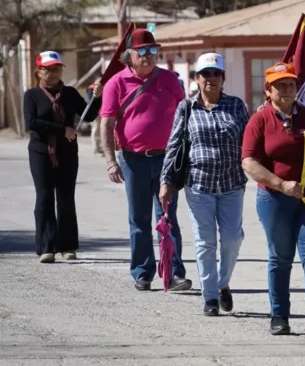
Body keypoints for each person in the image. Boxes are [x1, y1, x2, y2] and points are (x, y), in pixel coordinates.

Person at [241, 62, 305, 338]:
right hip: (274, 199)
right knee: (281, 258)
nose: (286, 89)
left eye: (291, 84)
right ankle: (279, 316)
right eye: (280, 85)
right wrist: (281, 184)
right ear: (268, 90)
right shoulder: (259, 120)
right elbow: (248, 162)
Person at [159, 53, 250, 316]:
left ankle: (222, 284)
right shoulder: (186, 108)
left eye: (216, 74)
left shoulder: (236, 106)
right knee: (204, 242)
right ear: (197, 79)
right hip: (198, 185)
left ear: (223, 78)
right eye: (205, 74)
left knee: (233, 239)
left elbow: (249, 141)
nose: (211, 79)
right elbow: (174, 145)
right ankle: (210, 297)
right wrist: (166, 181)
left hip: (232, 183)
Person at [100, 29, 191, 292]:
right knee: (139, 219)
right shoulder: (116, 83)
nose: (150, 56)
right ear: (130, 55)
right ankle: (142, 272)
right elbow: (107, 125)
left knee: (167, 216)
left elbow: (184, 116)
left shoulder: (170, 80)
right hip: (132, 159)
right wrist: (110, 162)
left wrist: (186, 155)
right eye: (143, 51)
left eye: (153, 51)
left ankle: (174, 274)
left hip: (166, 158)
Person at [24, 51, 102, 263]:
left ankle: (67, 246)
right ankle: (46, 247)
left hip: (67, 152)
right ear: (39, 71)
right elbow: (31, 122)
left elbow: (90, 114)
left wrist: (97, 96)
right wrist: (62, 129)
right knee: (44, 196)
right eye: (49, 69)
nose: (55, 72)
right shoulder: (31, 95)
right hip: (41, 152)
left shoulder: (69, 93)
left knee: (66, 198)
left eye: (58, 68)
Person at [87, 82, 103, 155]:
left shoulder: (103, 88)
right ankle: (96, 147)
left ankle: (100, 147)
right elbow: (91, 101)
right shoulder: (92, 88)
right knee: (95, 129)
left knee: (101, 130)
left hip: (102, 112)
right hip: (95, 113)